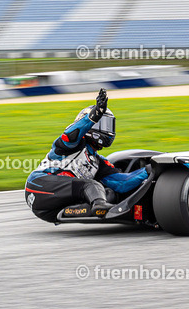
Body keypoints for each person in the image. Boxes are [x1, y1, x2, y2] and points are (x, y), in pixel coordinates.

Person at [25, 88, 149, 221]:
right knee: (91, 185)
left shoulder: (99, 163)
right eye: (102, 124)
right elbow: (70, 135)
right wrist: (95, 115)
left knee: (110, 194)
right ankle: (99, 205)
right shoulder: (74, 144)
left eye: (109, 125)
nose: (107, 130)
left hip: (50, 211)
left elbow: (122, 183)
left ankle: (99, 208)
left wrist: (149, 170)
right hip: (38, 187)